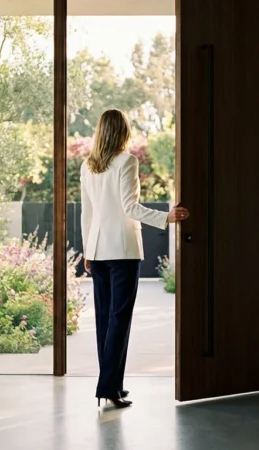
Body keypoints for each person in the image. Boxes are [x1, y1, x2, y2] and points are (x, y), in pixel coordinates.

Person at [80, 109, 189, 409]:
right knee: (119, 319)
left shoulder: (88, 166)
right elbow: (131, 207)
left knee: (105, 318)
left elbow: (86, 213)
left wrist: (88, 251)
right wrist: (166, 217)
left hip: (99, 251)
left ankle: (112, 385)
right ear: (123, 132)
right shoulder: (127, 161)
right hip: (123, 251)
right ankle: (109, 387)